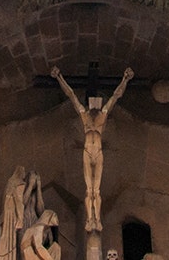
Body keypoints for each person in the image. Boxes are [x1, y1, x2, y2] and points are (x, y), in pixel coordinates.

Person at [51, 66, 134, 233]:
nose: (96, 104)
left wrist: (125, 80)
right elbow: (71, 95)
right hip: (88, 152)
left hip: (98, 153)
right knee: (89, 190)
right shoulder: (84, 116)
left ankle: (97, 219)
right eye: (93, 103)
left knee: (96, 190)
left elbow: (116, 96)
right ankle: (90, 219)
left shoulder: (103, 115)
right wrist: (59, 77)